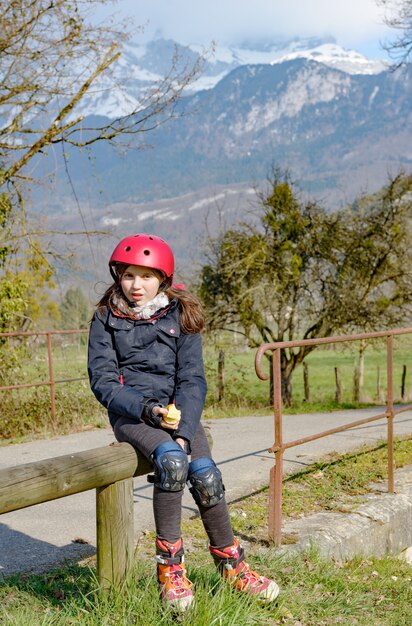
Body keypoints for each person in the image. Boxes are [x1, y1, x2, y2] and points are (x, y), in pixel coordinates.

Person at [88, 233, 279, 612]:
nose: (135, 285)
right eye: (128, 276)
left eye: (145, 276)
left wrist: (185, 432)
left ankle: (232, 566)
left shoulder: (181, 315)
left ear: (163, 277)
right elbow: (103, 382)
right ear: (118, 277)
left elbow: (192, 379)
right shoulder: (105, 319)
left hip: (178, 413)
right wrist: (148, 411)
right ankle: (170, 571)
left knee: (205, 473)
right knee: (173, 464)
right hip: (133, 415)